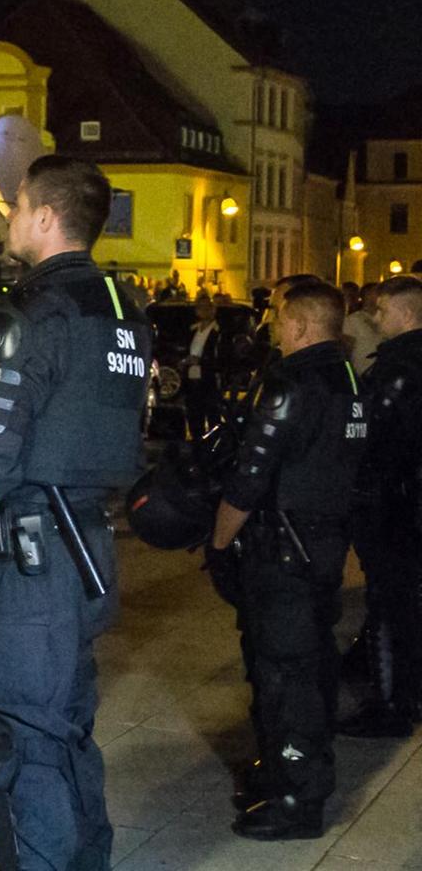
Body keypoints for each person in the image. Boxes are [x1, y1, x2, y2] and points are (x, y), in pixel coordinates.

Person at [0, 156, 153, 869]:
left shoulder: (33, 312)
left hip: (33, 560)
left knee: (26, 742)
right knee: (65, 733)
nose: (7, 218)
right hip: (88, 544)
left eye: (15, 205)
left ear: (46, 217)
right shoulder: (122, 309)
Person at [204, 280, 368, 839]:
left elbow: (251, 477)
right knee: (311, 665)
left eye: (279, 319)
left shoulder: (290, 381)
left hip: (283, 552)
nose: (274, 327)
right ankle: (285, 773)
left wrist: (220, 542)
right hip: (322, 546)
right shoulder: (346, 376)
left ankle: (298, 799)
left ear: (300, 325)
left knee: (285, 674)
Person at [338, 275, 422, 739]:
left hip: (394, 504)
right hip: (410, 501)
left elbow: (374, 437)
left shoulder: (397, 367)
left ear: (406, 314)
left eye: (384, 312)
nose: (377, 319)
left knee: (390, 601)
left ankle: (391, 704)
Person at [183, 296, 228, 440]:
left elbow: (222, 358)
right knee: (194, 417)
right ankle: (198, 448)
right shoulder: (192, 330)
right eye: (200, 307)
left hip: (209, 381)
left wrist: (200, 361)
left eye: (207, 307)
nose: (203, 311)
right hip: (192, 380)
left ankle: (212, 451)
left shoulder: (219, 332)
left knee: (212, 416)